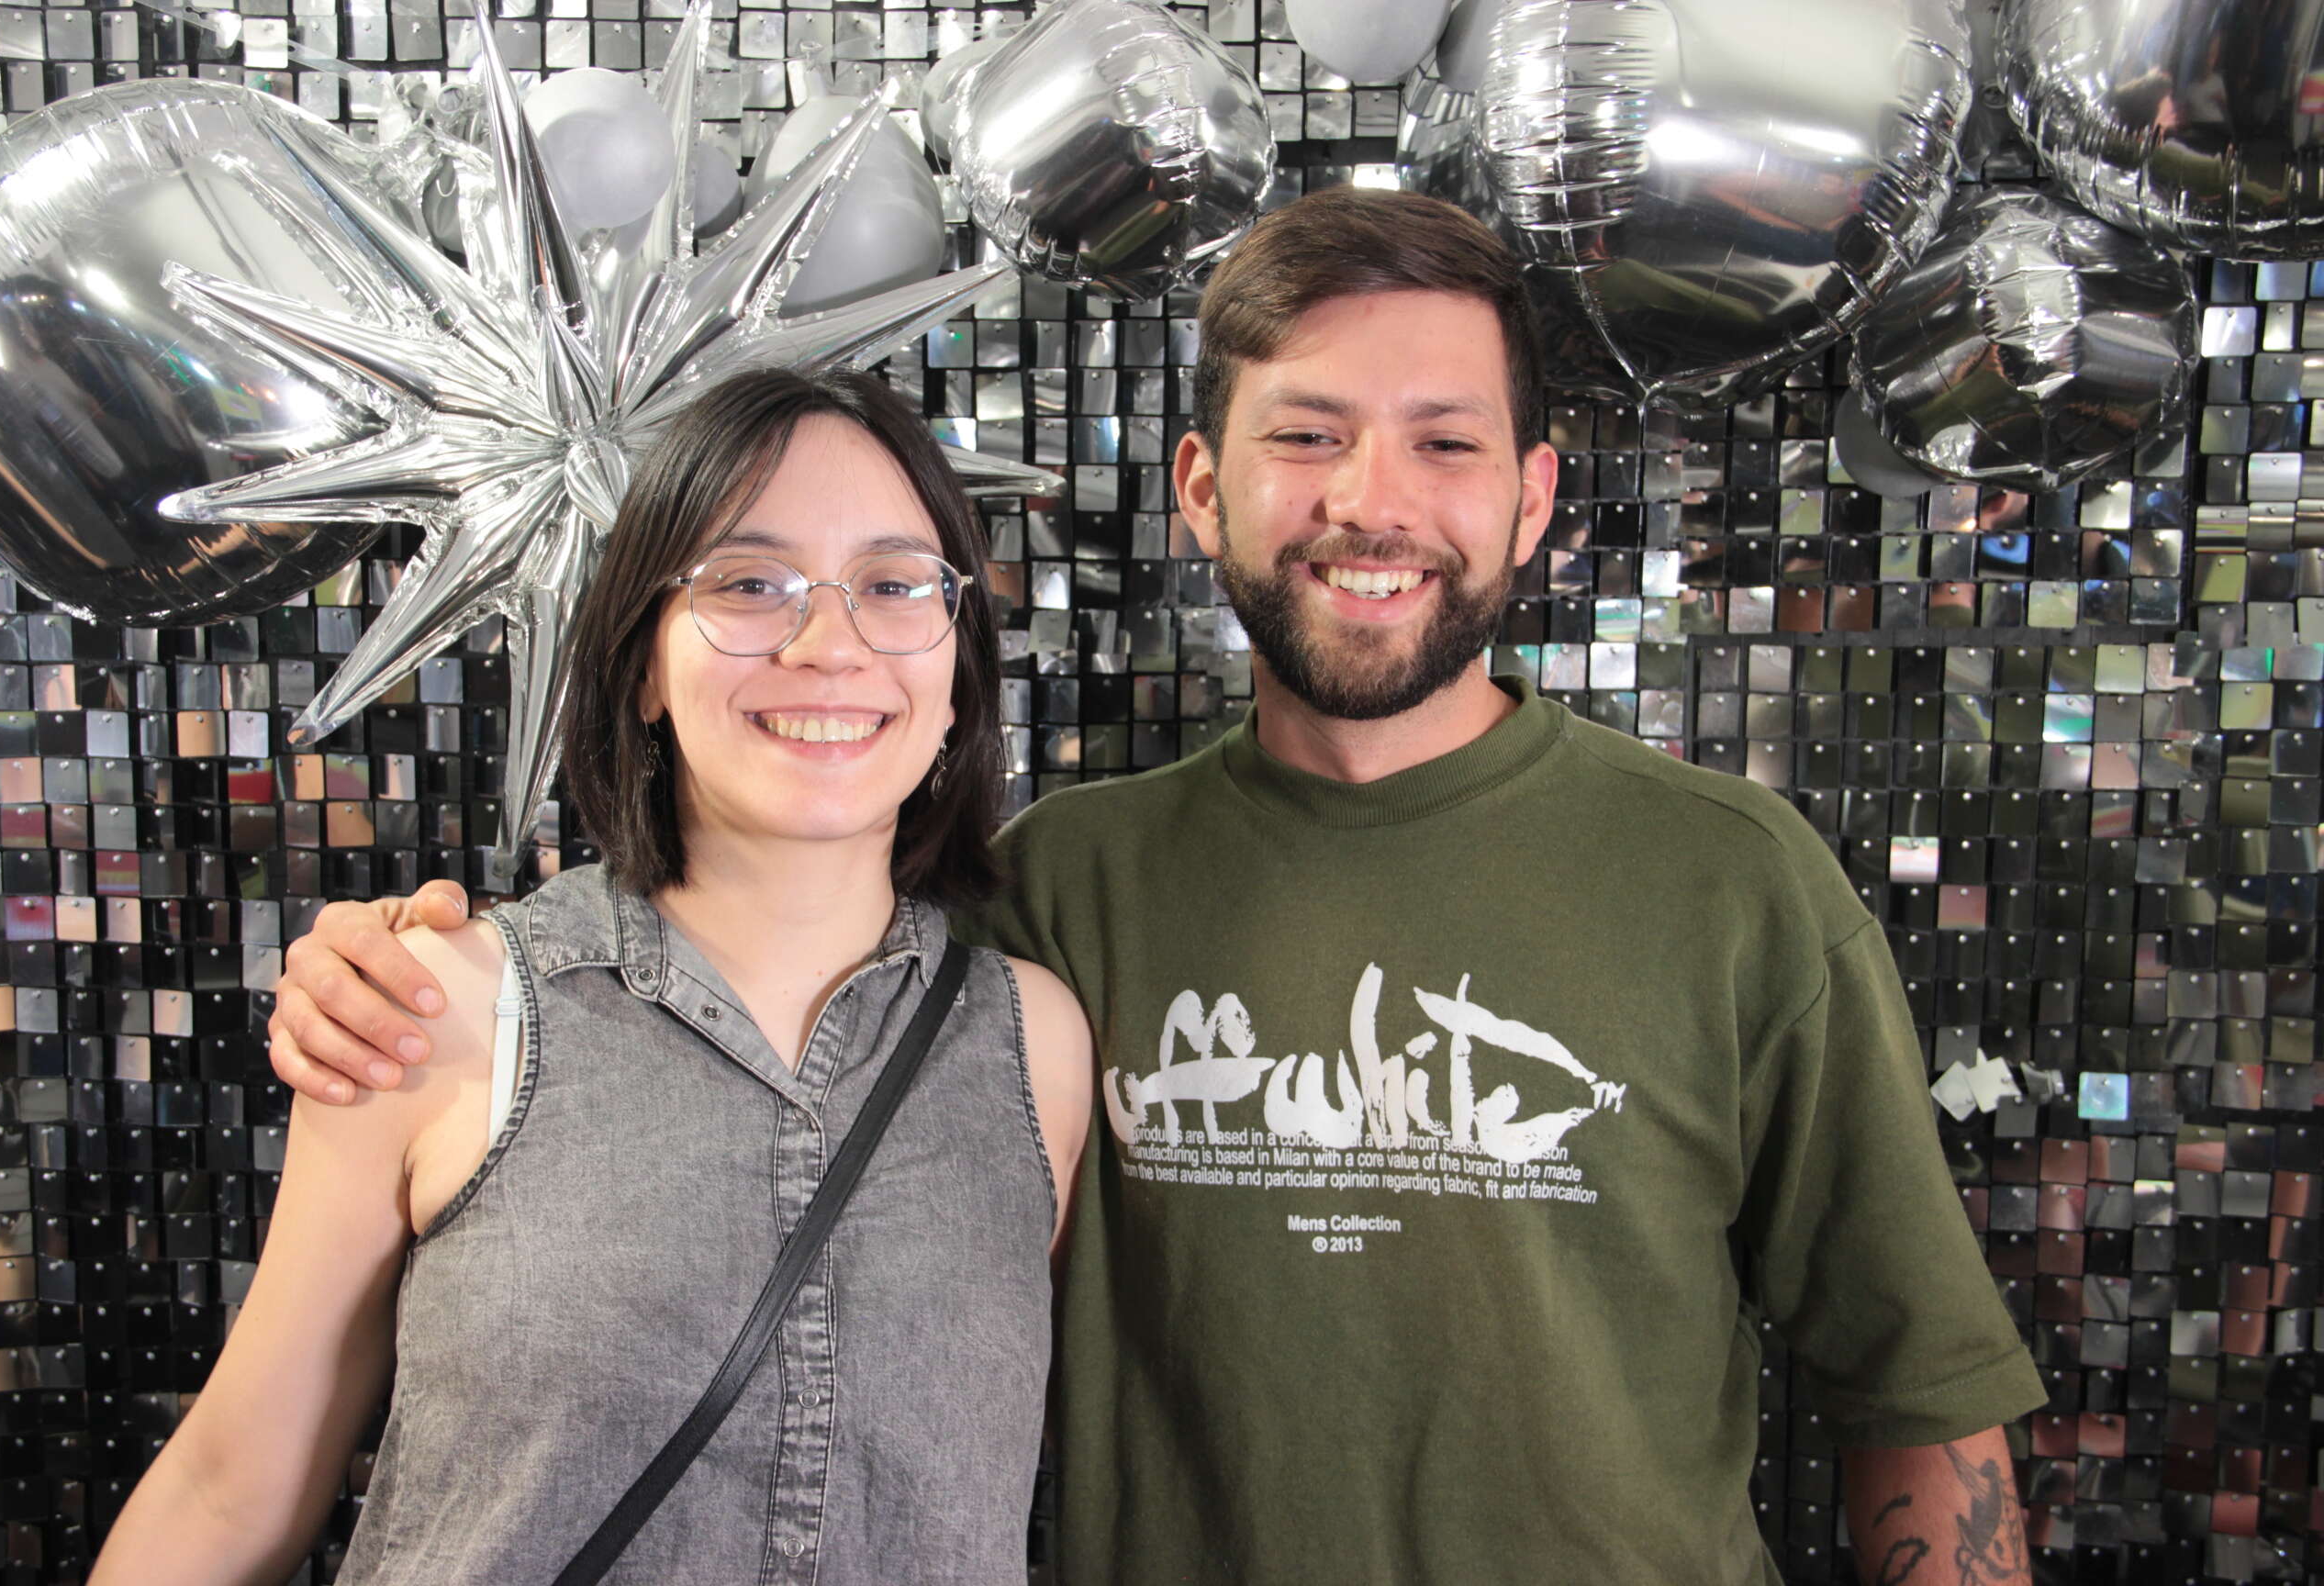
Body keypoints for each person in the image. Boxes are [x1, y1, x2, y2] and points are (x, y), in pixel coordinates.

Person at [266, 189, 2045, 1585]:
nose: (1372, 501)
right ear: (1202, 488)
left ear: (1530, 500)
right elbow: (743, 1022)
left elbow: (1921, 1399)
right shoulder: (1052, 895)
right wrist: (415, 971)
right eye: (1307, 436)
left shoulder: (1731, 883)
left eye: (1444, 443)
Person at [95, 367, 1092, 1584]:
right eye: (749, 583)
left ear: (957, 670)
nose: (829, 644)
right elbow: (230, 1489)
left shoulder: (1036, 1044)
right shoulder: (438, 1005)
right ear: (644, 667)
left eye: (893, 585)